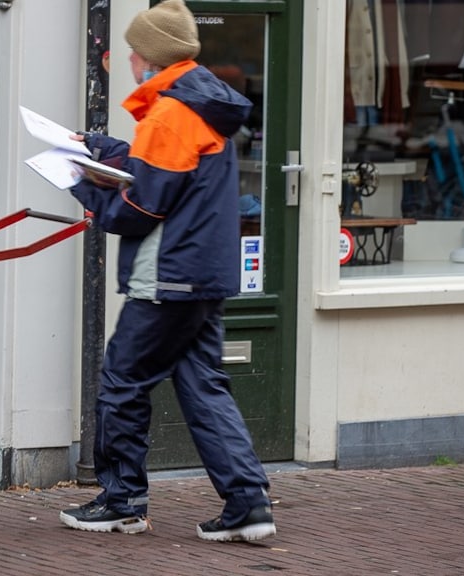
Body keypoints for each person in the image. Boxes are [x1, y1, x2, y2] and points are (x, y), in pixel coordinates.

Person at [58, 0, 276, 542]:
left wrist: (78, 182)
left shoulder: (169, 114)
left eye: (133, 53)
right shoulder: (200, 106)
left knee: (121, 381)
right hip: (204, 274)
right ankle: (249, 506)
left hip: (168, 277)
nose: (128, 61)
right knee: (204, 387)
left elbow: (142, 209)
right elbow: (168, 179)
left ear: (152, 59)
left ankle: (122, 499)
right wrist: (106, 152)